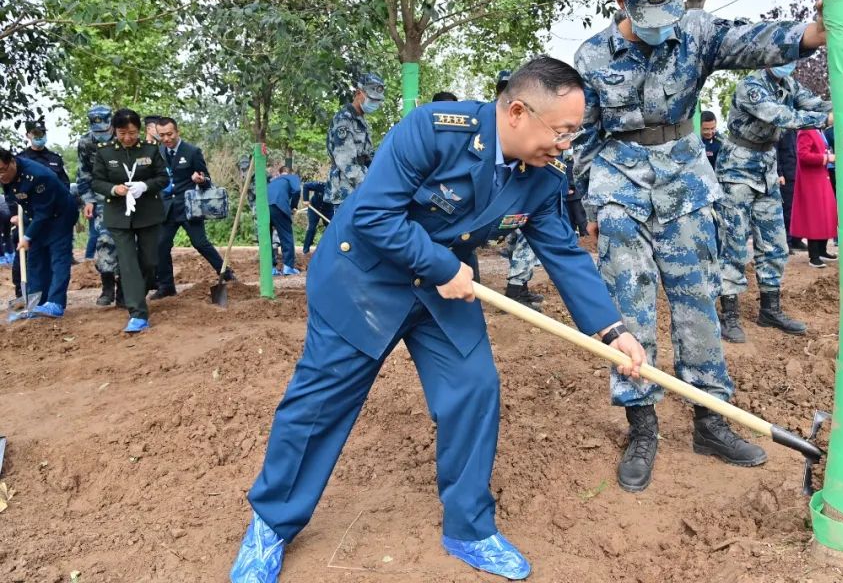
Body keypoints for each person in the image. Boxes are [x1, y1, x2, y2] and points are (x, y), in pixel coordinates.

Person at [230, 57, 647, 583]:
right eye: (561, 132)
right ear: (517, 112)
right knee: (321, 402)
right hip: (364, 277)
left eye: (573, 133)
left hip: (443, 290)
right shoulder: (433, 130)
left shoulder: (541, 176)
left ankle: (469, 528)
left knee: (474, 389)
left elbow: (563, 252)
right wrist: (441, 265)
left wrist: (614, 330)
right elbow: (373, 216)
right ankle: (272, 523)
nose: (565, 144)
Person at [573, 0, 843, 492]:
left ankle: (710, 419)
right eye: (647, 13)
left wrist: (816, 30)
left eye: (670, 10)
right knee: (630, 311)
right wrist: (591, 200)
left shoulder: (699, 32)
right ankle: (643, 426)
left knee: (698, 304)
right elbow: (584, 135)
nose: (662, 24)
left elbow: (757, 41)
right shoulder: (592, 56)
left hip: (685, 181)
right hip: (620, 188)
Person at [715, 63, 832, 343]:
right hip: (737, 169)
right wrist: (825, 119)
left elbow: (817, 102)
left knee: (774, 242)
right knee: (733, 241)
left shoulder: (788, 84)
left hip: (766, 168)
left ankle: (770, 309)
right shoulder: (751, 87)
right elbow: (780, 115)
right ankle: (729, 312)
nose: (788, 62)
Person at [91, 109, 169, 334]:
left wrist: (146, 186)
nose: (127, 138)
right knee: (128, 263)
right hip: (118, 215)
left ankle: (132, 294)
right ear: (114, 131)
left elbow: (162, 178)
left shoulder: (150, 150)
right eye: (122, 133)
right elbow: (97, 181)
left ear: (139, 130)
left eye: (132, 133)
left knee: (150, 262)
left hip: (148, 212)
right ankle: (138, 313)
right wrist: (114, 189)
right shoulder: (105, 153)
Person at [152, 118, 234, 298]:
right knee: (161, 245)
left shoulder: (192, 152)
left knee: (200, 243)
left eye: (169, 134)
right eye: (162, 135)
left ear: (177, 132)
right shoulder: (158, 153)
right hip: (166, 209)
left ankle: (226, 273)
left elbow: (208, 180)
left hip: (189, 208)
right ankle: (166, 286)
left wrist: (201, 180)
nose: (166, 139)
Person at [0, 150, 78, 317]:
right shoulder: (6, 175)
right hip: (34, 215)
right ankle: (35, 302)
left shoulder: (38, 175)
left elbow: (44, 211)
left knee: (58, 258)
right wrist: (16, 215)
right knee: (35, 259)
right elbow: (12, 197)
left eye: (2, 170)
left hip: (59, 216)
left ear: (12, 162)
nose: (0, 176)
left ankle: (55, 303)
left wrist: (27, 236)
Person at [77, 106, 123, 307]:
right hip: (102, 199)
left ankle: (124, 289)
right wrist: (88, 200)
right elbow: (83, 174)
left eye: (105, 131)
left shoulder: (124, 137)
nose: (102, 135)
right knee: (104, 241)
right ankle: (107, 287)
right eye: (99, 132)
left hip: (128, 198)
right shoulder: (86, 142)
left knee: (128, 245)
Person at [326, 72, 383, 210]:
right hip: (346, 191)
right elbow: (345, 161)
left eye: (377, 101)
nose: (374, 104)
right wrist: (370, 186)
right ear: (359, 93)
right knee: (346, 231)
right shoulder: (344, 120)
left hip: (360, 190)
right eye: (371, 99)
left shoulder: (361, 121)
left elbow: (369, 156)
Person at [791, 129, 838, 267]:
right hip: (811, 180)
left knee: (826, 214)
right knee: (815, 217)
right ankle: (814, 256)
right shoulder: (806, 131)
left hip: (821, 176)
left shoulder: (818, 130)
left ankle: (822, 250)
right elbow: (803, 155)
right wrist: (826, 158)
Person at [267, 166, 301, 276]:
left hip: (264, 207)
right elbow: (297, 190)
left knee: (267, 238)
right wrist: (293, 207)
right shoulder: (292, 177)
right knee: (286, 236)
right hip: (279, 206)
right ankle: (288, 267)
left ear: (279, 173)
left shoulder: (272, 181)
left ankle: (271, 269)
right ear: (289, 172)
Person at [776, 129, 803, 250]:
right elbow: (775, 154)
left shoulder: (798, 131)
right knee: (788, 209)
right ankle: (787, 241)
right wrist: (779, 173)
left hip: (800, 175)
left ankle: (797, 239)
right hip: (787, 175)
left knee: (800, 209)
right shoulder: (781, 131)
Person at [301, 180, 333, 254]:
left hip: (327, 211)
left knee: (330, 228)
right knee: (311, 228)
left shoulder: (339, 190)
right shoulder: (320, 185)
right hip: (314, 208)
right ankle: (306, 250)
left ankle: (328, 248)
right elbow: (306, 185)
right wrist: (306, 200)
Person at [564, 153, 589, 236]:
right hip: (563, 197)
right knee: (568, 225)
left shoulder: (574, 154)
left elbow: (576, 171)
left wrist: (571, 186)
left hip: (576, 195)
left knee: (582, 223)